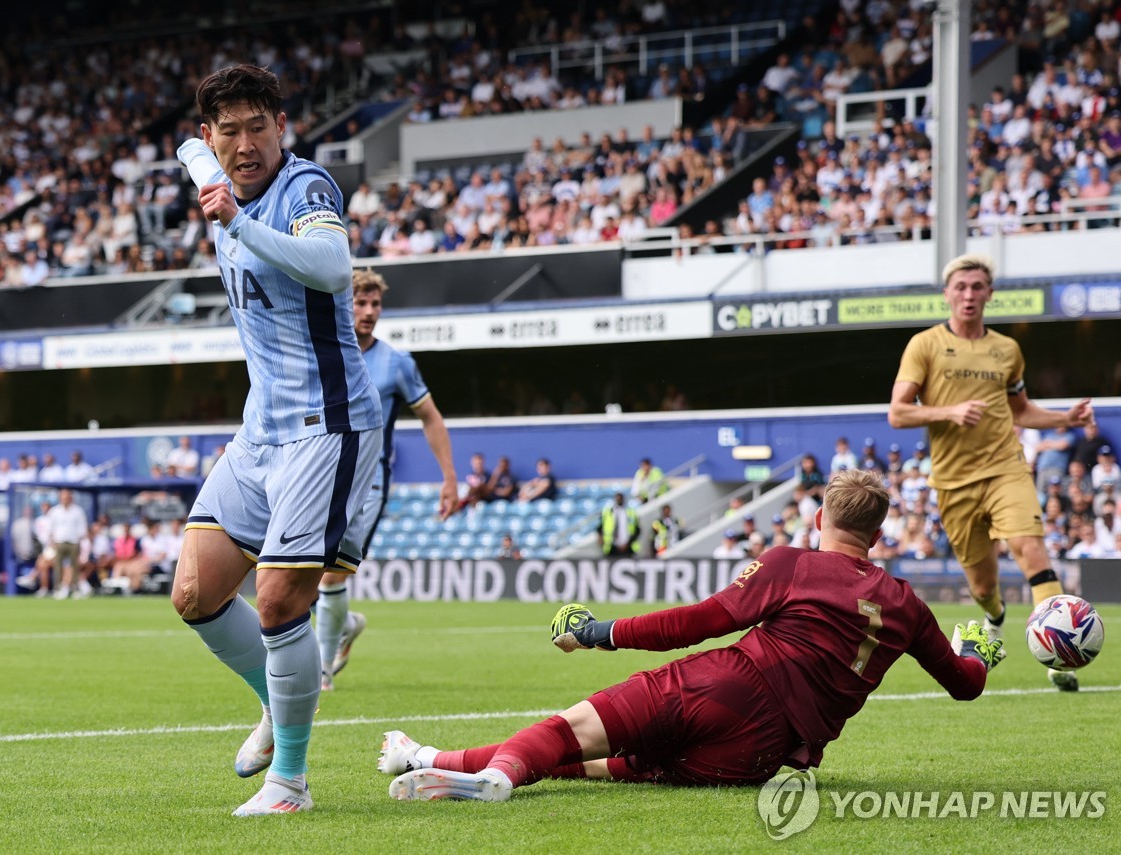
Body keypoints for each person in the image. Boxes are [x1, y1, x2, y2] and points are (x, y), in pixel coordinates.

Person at [379, 470, 1005, 802]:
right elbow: (965, 685)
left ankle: (499, 778)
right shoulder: (907, 605)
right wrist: (976, 651)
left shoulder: (793, 561)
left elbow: (699, 622)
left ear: (820, 518)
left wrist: (601, 630)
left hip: (730, 687)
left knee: (569, 732)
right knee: (592, 764)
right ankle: (426, 758)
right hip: (761, 757)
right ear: (878, 531)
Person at [171, 64, 383, 817]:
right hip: (259, 430)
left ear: (282, 127)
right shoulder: (212, 166)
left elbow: (331, 267)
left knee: (277, 598)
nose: (245, 143)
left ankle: (289, 782)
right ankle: (275, 696)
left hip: (326, 426)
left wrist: (235, 218)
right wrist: (200, 163)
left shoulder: (307, 188)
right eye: (229, 131)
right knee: (194, 591)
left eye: (259, 126)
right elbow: (189, 155)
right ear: (211, 136)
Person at [888, 253, 1093, 691]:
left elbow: (1021, 410)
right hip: (953, 481)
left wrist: (1062, 419)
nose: (969, 294)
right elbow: (898, 413)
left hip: (1006, 468)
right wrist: (950, 411)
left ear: (989, 294)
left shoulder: (1007, 349)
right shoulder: (924, 344)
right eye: (960, 286)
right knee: (982, 583)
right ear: (947, 293)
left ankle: (1060, 656)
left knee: (1030, 549)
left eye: (977, 286)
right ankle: (995, 615)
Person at [315, 268, 458, 691]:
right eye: (361, 302)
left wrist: (449, 478)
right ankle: (345, 624)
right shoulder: (323, 352)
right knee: (310, 574)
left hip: (368, 481)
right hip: (320, 475)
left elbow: (430, 417)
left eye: (376, 304)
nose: (369, 311)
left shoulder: (397, 363)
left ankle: (321, 671)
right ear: (344, 304)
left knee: (331, 574)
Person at [48, 488, 89, 600]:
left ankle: (75, 589)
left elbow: (82, 528)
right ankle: (58, 589)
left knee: (75, 567)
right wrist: (51, 541)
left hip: (73, 542)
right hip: (59, 542)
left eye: (67, 497)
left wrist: (80, 541)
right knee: (58, 567)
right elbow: (51, 528)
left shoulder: (78, 511)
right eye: (63, 498)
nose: (65, 500)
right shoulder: (55, 511)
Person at [598, 491, 639, 556]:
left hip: (628, 546)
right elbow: (600, 527)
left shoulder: (630, 512)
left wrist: (628, 543)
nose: (619, 500)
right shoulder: (608, 512)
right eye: (617, 498)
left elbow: (637, 529)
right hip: (611, 546)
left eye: (620, 498)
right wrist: (601, 538)